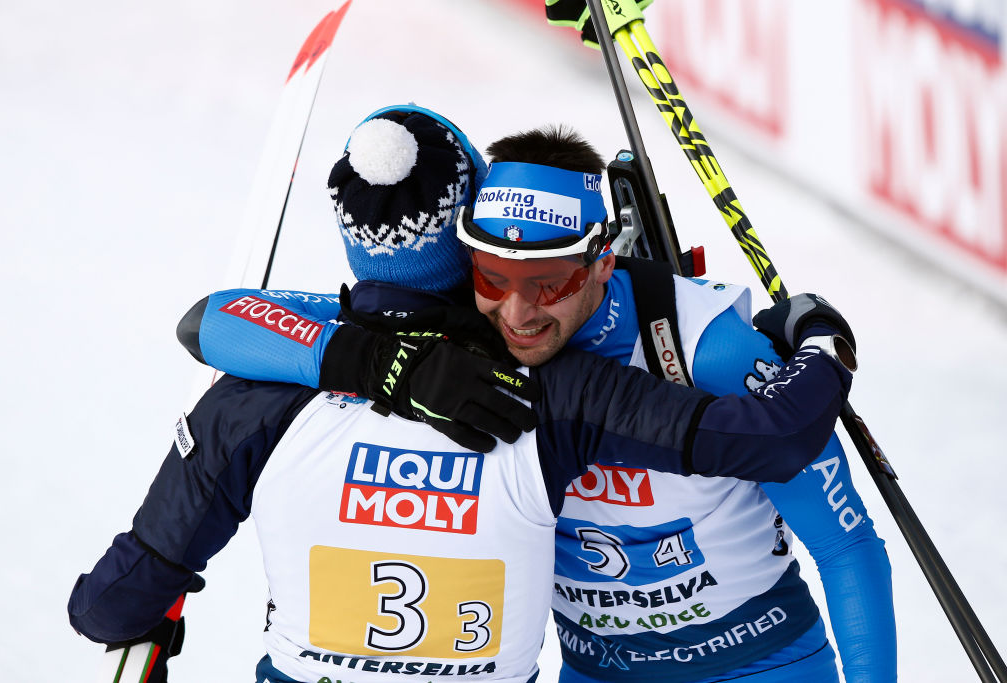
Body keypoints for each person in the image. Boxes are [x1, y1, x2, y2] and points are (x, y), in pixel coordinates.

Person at [69, 107, 858, 683]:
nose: (517, 310)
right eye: (493, 273)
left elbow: (210, 319)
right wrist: (820, 343)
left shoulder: (264, 384)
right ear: (467, 236)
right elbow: (767, 436)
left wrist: (373, 362)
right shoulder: (550, 389)